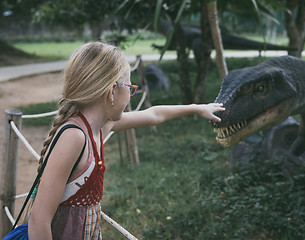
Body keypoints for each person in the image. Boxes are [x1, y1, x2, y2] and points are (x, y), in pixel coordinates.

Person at [25, 42, 225, 239]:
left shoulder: (101, 126)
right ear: (112, 91)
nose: (130, 94)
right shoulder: (74, 137)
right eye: (130, 87)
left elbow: (154, 115)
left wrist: (197, 108)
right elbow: (39, 221)